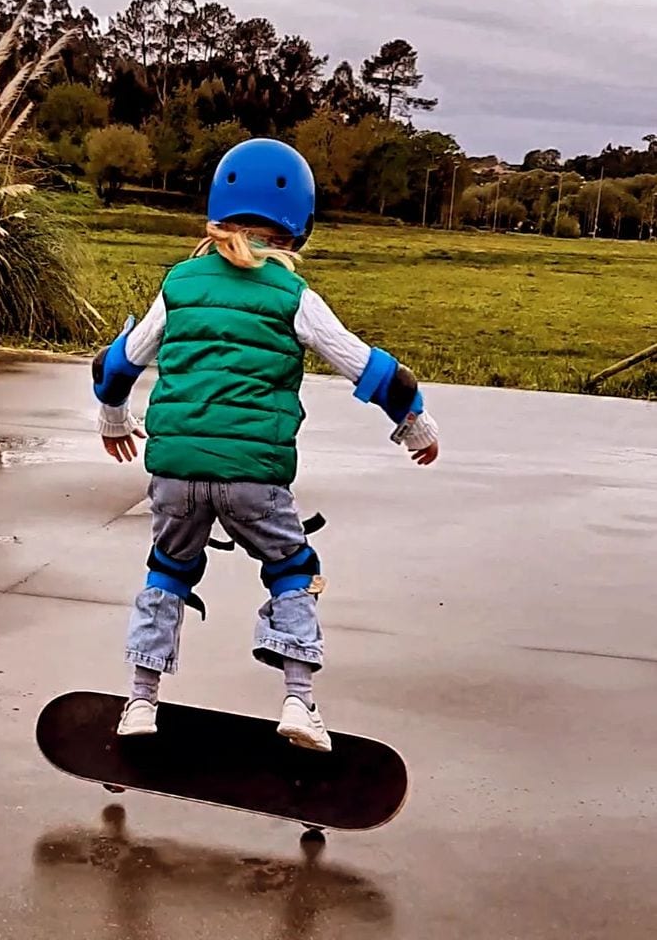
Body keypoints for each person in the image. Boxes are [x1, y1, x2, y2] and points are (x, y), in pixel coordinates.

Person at [92, 139, 439, 752]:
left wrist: (114, 420)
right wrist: (413, 423)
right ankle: (300, 703)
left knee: (167, 571)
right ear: (298, 226)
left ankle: (140, 701)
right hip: (255, 475)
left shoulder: (178, 284)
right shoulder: (291, 296)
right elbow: (370, 367)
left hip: (175, 472)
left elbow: (118, 363)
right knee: (291, 570)